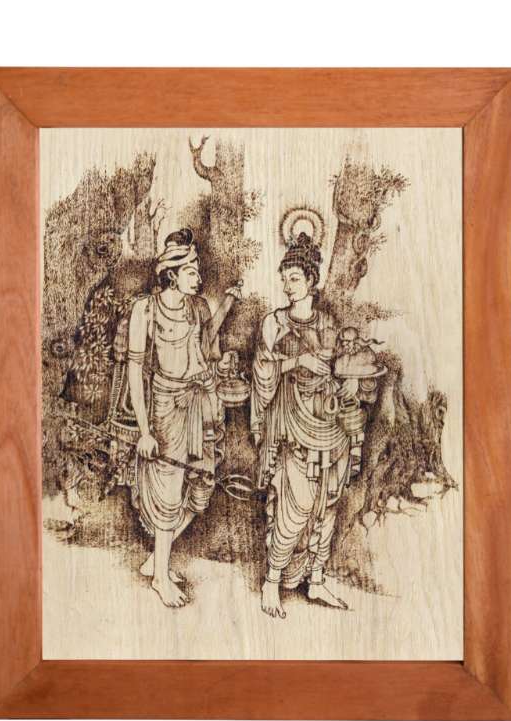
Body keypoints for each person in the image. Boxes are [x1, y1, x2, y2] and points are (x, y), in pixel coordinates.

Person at [126, 229, 241, 607]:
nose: (198, 277)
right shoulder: (145, 310)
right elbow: (135, 371)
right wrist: (145, 431)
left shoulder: (199, 307)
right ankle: (161, 576)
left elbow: (206, 347)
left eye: (198, 269)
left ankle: (156, 558)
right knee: (170, 489)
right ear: (172, 274)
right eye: (191, 270)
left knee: (202, 484)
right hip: (167, 404)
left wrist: (226, 305)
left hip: (201, 401)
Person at [250, 232, 357, 618]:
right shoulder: (274, 323)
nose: (287, 285)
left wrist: (348, 380)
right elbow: (262, 370)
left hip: (329, 424)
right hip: (292, 423)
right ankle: (272, 581)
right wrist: (298, 362)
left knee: (327, 503)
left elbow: (342, 367)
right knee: (296, 506)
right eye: (285, 278)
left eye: (294, 278)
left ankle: (316, 578)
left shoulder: (329, 323)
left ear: (312, 280)